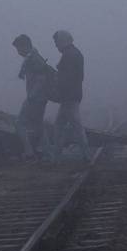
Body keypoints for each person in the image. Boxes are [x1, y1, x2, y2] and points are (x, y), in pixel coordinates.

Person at [12, 33, 53, 160]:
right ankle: (47, 153)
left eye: (18, 48)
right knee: (39, 125)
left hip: (35, 98)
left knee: (19, 123)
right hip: (40, 97)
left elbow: (41, 79)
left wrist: (31, 96)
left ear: (25, 46)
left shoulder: (34, 58)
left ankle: (29, 152)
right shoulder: (33, 57)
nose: (18, 52)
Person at [51, 31, 88, 161]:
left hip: (69, 96)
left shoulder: (69, 55)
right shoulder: (75, 53)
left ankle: (85, 154)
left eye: (56, 42)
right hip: (73, 94)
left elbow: (67, 78)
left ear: (63, 41)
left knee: (75, 125)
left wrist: (57, 88)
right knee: (61, 124)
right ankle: (57, 154)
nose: (56, 45)